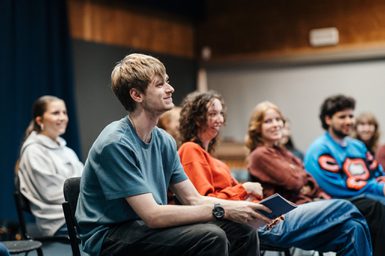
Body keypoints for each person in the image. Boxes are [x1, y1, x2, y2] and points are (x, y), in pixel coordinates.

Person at [76, 53, 269, 256]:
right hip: (109, 235)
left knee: (243, 231)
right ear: (137, 95)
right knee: (211, 236)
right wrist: (224, 210)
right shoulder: (115, 143)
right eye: (160, 84)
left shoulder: (164, 141)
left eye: (167, 82)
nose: (170, 89)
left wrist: (246, 207)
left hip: (143, 226)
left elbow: (193, 199)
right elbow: (152, 215)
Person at [178, 91, 372, 255]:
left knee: (352, 229)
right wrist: (243, 189)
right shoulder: (190, 150)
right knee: (345, 207)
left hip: (265, 216)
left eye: (221, 114)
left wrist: (245, 194)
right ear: (196, 118)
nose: (220, 119)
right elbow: (203, 202)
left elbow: (307, 180)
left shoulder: (215, 160)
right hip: (253, 223)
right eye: (213, 113)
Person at [246, 101, 385, 256]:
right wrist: (302, 180)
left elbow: (310, 182)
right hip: (284, 214)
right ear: (257, 127)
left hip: (307, 205)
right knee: (346, 206)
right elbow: (296, 181)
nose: (276, 124)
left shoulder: (284, 153)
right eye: (268, 121)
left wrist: (304, 181)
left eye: (278, 120)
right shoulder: (259, 155)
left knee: (354, 227)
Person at [16, 95, 83, 236]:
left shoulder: (67, 151)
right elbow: (51, 193)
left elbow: (84, 180)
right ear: (40, 120)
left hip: (80, 211)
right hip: (58, 220)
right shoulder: (33, 151)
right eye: (56, 113)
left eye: (64, 112)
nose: (62, 117)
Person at [304, 94, 385, 205]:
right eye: (342, 117)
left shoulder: (358, 146)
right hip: (341, 204)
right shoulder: (320, 149)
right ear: (328, 119)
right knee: (374, 206)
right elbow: (337, 187)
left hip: (370, 197)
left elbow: (378, 173)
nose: (349, 121)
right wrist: (379, 189)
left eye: (351, 116)